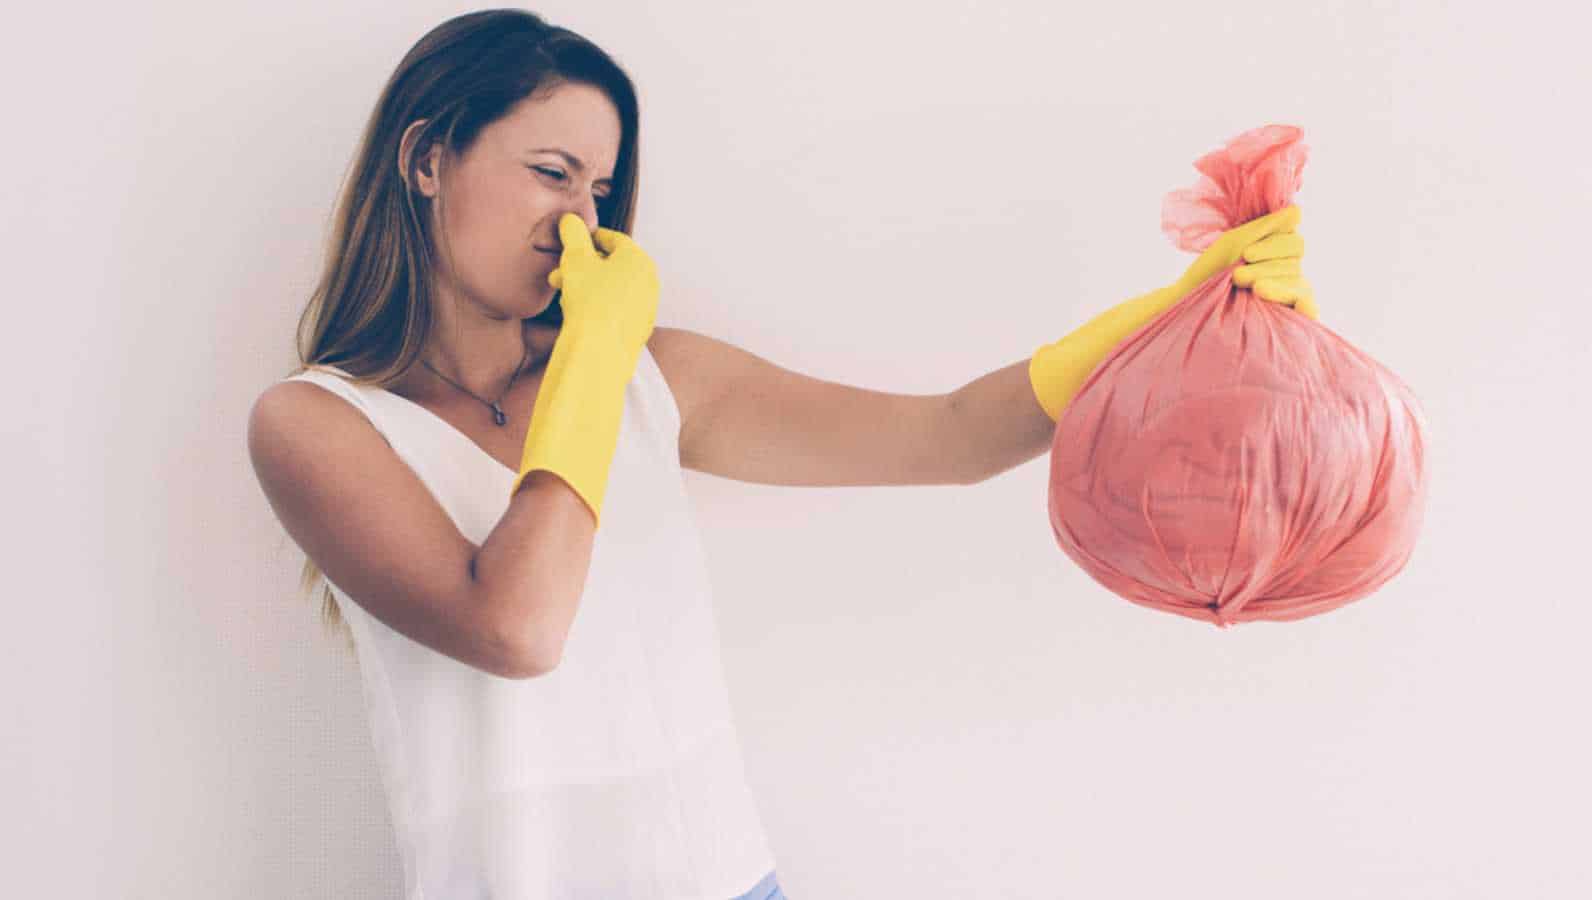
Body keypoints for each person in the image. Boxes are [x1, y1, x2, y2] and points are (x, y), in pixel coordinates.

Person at [247, 9, 1312, 900]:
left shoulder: (659, 378)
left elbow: (946, 438)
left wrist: (1171, 316)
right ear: (426, 158)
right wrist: (599, 351)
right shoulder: (315, 424)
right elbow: (518, 626)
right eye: (551, 172)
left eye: (600, 192)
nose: (579, 220)